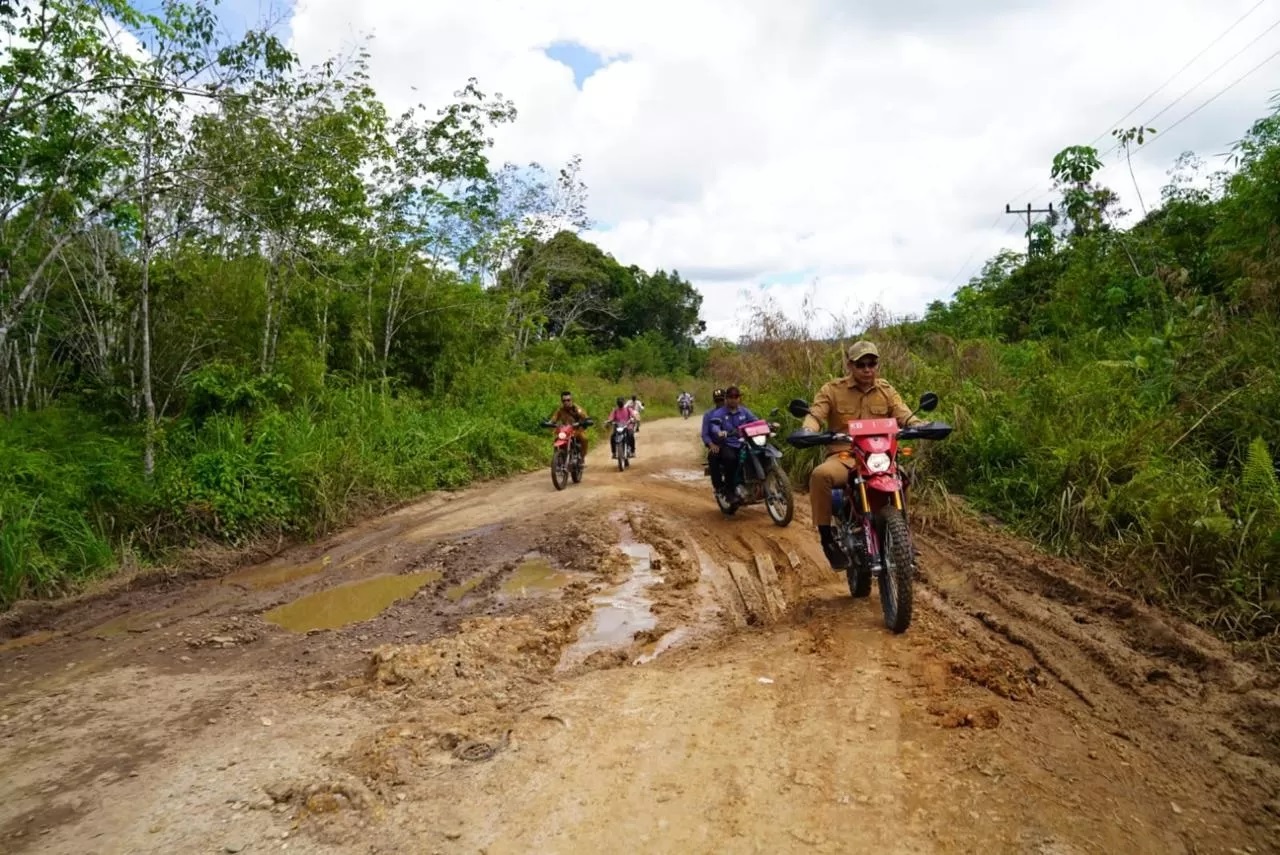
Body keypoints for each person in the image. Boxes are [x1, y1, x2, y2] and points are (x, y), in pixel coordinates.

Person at [799, 341, 924, 569]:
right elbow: (815, 415)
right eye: (861, 364)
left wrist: (921, 425)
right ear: (850, 365)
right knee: (820, 475)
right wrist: (808, 430)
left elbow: (904, 414)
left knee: (902, 477)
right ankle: (827, 539)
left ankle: (904, 537)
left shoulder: (886, 390)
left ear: (877, 364)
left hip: (879, 456)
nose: (867, 369)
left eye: (872, 363)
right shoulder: (832, 390)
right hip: (845, 456)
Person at [701, 385, 757, 502]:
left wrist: (767, 425)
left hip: (741, 442)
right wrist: (712, 443)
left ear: (739, 398)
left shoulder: (744, 411)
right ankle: (723, 488)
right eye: (730, 397)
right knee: (722, 457)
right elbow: (709, 431)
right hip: (722, 443)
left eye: (735, 396)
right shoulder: (714, 414)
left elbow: (755, 421)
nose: (720, 402)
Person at [548, 390, 590, 461]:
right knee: (556, 439)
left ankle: (582, 457)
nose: (566, 402)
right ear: (562, 401)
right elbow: (554, 419)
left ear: (571, 400)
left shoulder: (577, 409)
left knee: (584, 439)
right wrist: (549, 423)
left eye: (568, 400)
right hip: (565, 431)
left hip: (576, 431)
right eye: (564, 400)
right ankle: (557, 459)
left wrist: (586, 421)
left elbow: (585, 417)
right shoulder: (560, 410)